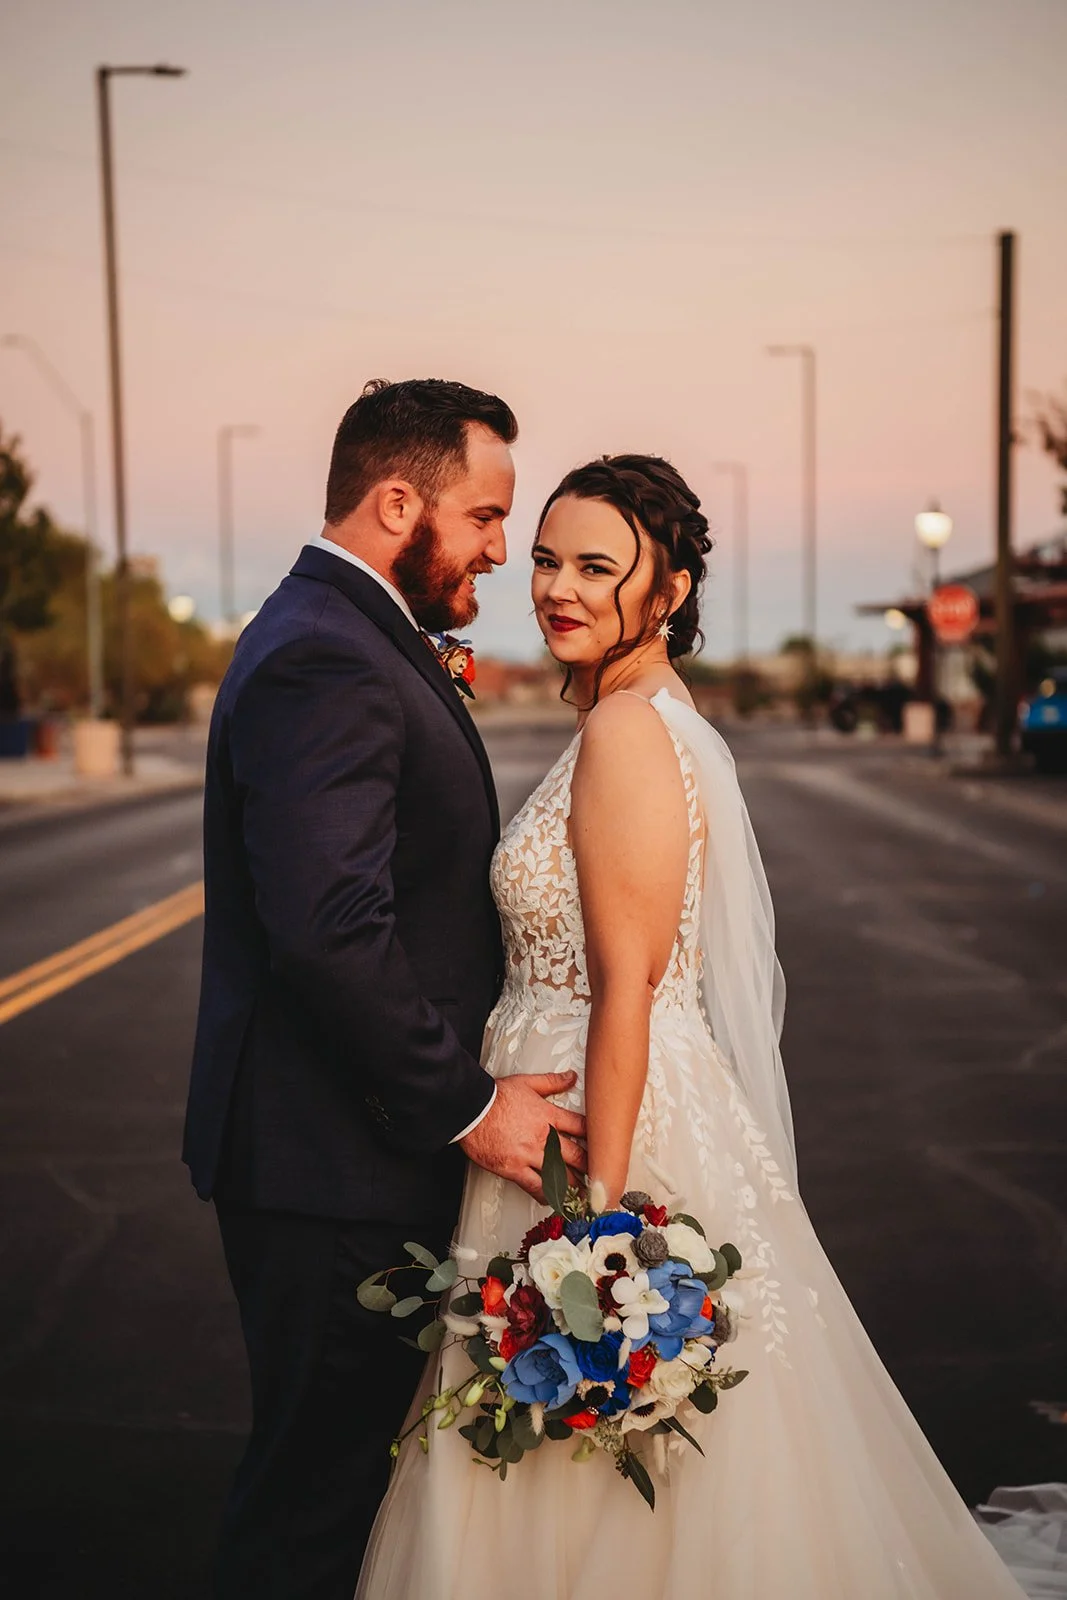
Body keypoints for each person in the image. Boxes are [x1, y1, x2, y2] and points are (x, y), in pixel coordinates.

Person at [355, 454, 1031, 1598]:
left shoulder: (626, 732)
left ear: (663, 593)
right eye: (547, 560)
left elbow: (628, 984)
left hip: (592, 1138)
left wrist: (596, 1245)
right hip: (564, 1118)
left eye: (596, 568)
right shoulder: (639, 717)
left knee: (588, 1464)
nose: (558, 587)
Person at [183, 378, 586, 1600]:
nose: (498, 551)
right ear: (396, 500)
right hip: (330, 1171)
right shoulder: (325, 653)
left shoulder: (345, 635)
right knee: (315, 1504)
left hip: (343, 1158)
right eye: (482, 516)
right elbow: (329, 933)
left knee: (342, 1490)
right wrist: (472, 1108)